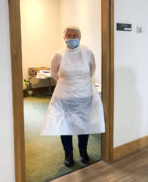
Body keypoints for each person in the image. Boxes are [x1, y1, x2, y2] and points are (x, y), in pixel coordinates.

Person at [41, 26, 105, 167]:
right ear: (64, 37)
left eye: (74, 35)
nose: (72, 37)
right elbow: (54, 73)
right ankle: (68, 154)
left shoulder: (87, 52)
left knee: (83, 125)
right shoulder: (57, 54)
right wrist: (67, 84)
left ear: (80, 37)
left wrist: (79, 82)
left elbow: (92, 69)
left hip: (84, 95)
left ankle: (83, 152)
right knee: (66, 126)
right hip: (65, 96)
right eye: (69, 35)